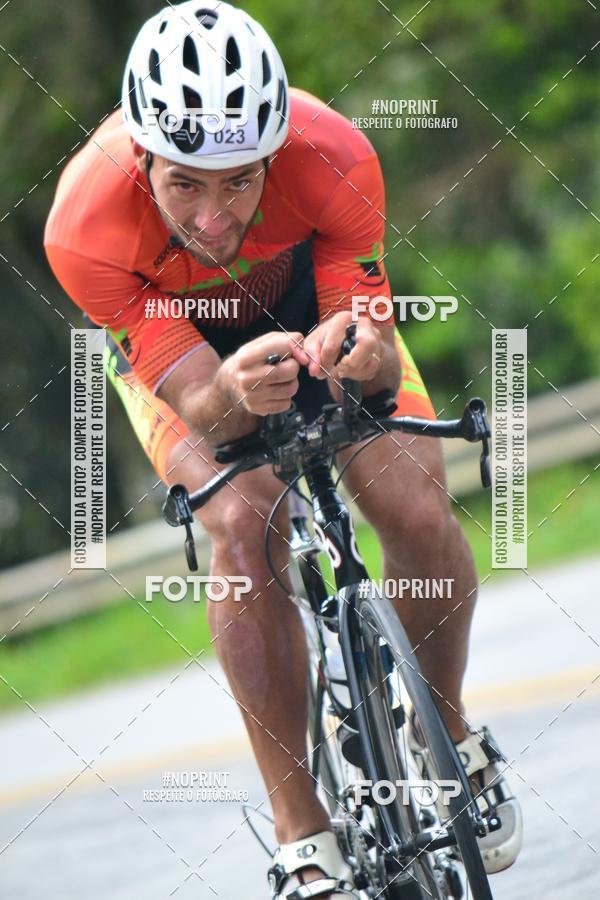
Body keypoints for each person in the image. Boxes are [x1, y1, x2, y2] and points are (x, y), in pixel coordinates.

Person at [44, 2, 522, 896]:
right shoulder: (85, 226)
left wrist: (364, 353)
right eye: (185, 185)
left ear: (273, 154)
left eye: (239, 183)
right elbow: (202, 409)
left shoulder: (335, 155)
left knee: (415, 500)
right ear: (141, 157)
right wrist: (230, 395)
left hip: (310, 303)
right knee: (244, 518)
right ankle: (303, 830)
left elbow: (374, 355)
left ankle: (446, 733)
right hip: (185, 353)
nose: (213, 217)